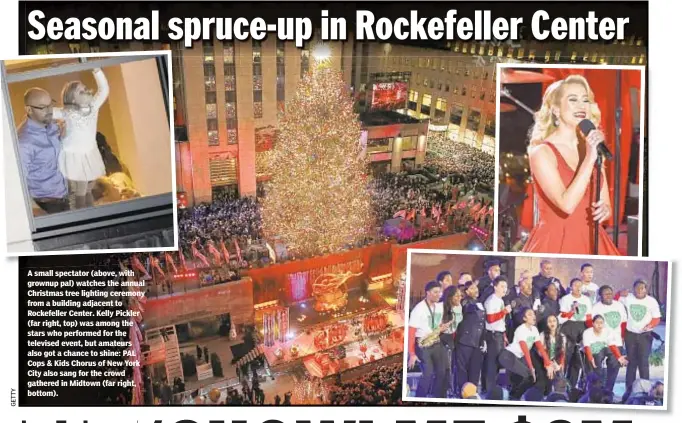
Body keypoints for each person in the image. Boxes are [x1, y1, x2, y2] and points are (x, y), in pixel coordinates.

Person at [522, 75, 620, 255]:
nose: (581, 105)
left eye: (585, 100)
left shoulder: (591, 148)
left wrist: (605, 209)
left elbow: (605, 203)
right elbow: (566, 205)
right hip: (557, 241)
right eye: (573, 99)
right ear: (556, 109)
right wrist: (590, 158)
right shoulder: (542, 152)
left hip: (592, 239)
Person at [55, 68, 109, 209]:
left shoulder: (93, 106)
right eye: (80, 91)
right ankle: (83, 215)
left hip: (89, 152)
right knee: (79, 190)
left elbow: (103, 90)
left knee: (87, 188)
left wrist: (97, 71)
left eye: (85, 88)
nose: (86, 91)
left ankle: (89, 213)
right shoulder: (69, 112)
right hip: (73, 155)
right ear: (73, 99)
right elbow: (52, 113)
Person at [17, 88, 70, 214]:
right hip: (45, 205)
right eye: (42, 107)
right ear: (29, 110)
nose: (49, 110)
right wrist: (37, 211)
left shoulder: (54, 126)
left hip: (67, 197)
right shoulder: (24, 141)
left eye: (50, 104)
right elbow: (18, 183)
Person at [497, 307, 552, 400]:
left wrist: (548, 363)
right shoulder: (521, 329)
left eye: (533, 314)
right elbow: (525, 349)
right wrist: (531, 368)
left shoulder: (534, 329)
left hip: (517, 357)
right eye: (529, 315)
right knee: (530, 376)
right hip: (507, 355)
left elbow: (540, 348)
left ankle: (513, 396)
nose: (533, 316)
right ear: (524, 318)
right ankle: (514, 397)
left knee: (525, 378)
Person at [407, 281, 449, 398]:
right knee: (428, 373)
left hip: (435, 341)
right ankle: (420, 399)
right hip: (423, 345)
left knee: (442, 372)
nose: (438, 295)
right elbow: (411, 333)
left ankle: (438, 398)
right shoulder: (418, 309)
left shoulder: (438, 307)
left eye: (439, 292)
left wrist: (442, 328)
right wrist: (412, 354)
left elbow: (435, 326)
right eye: (435, 292)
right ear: (428, 293)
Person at [620, 279, 662, 396]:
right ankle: (629, 390)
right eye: (637, 288)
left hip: (645, 335)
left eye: (642, 288)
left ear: (646, 289)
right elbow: (614, 300)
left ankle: (646, 390)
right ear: (633, 289)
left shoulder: (651, 301)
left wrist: (650, 326)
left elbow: (656, 317)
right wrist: (619, 293)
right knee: (631, 362)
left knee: (643, 362)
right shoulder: (627, 298)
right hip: (630, 334)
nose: (639, 290)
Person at [559, 278, 593, 388]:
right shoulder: (565, 299)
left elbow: (588, 317)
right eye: (575, 285)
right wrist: (572, 311)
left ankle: (571, 385)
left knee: (578, 359)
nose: (578, 288)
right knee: (565, 357)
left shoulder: (587, 300)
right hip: (569, 327)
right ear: (570, 287)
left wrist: (590, 332)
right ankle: (561, 384)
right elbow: (562, 316)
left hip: (582, 327)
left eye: (580, 285)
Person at [582, 314, 628, 393]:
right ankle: (594, 390)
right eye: (597, 323)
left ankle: (608, 389)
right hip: (592, 352)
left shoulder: (607, 332)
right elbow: (587, 347)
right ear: (593, 324)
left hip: (603, 349)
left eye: (601, 323)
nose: (599, 325)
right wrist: (590, 358)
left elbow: (612, 345)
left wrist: (619, 357)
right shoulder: (587, 333)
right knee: (596, 365)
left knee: (613, 357)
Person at [455, 281, 486, 395]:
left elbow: (483, 323)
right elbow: (466, 308)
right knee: (462, 370)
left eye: (476, 288)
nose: (476, 290)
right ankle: (462, 392)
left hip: (477, 342)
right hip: (465, 341)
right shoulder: (465, 302)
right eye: (472, 288)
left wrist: (483, 340)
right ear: (467, 291)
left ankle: (472, 392)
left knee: (475, 370)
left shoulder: (479, 303)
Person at [482, 276, 512, 393]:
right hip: (493, 336)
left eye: (505, 286)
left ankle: (491, 387)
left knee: (496, 363)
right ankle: (489, 389)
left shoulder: (500, 300)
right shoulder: (492, 300)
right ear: (495, 287)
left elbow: (500, 322)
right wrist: (504, 311)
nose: (504, 289)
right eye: (501, 286)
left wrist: (504, 335)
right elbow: (490, 319)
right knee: (492, 363)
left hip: (498, 335)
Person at [534, 314, 566, 395]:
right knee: (543, 383)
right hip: (542, 360)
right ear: (546, 324)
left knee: (559, 380)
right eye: (549, 321)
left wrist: (559, 365)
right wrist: (548, 364)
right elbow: (540, 352)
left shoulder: (562, 337)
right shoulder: (542, 335)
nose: (552, 323)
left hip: (554, 361)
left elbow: (562, 353)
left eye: (554, 321)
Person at [441, 285, 464, 394]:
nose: (460, 297)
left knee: (452, 365)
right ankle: (445, 390)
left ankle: (451, 389)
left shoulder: (458, 307)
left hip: (452, 337)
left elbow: (458, 322)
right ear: (450, 297)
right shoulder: (441, 308)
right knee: (445, 366)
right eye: (457, 296)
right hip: (441, 337)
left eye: (460, 295)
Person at [592, 285, 627, 351]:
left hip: (617, 342)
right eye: (605, 294)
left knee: (616, 361)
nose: (608, 296)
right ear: (600, 295)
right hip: (602, 343)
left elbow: (624, 323)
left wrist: (622, 337)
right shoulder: (595, 308)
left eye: (610, 294)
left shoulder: (619, 305)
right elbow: (591, 325)